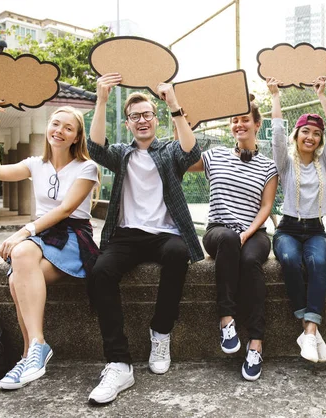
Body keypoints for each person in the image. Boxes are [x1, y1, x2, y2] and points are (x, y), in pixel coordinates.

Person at [87, 74, 204, 404]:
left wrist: (174, 103)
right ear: (127, 123)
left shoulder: (167, 151)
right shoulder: (121, 153)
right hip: (126, 235)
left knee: (178, 254)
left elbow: (190, 149)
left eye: (147, 114)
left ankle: (161, 332)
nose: (141, 120)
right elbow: (95, 147)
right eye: (135, 116)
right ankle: (119, 362)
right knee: (101, 272)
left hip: (164, 234)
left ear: (156, 119)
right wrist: (101, 99)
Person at [0, 97, 100, 390]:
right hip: (42, 237)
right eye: (55, 124)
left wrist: (23, 231)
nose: (60, 131)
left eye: (68, 128)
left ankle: (33, 349)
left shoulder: (87, 167)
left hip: (73, 237)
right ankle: (31, 353)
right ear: (48, 128)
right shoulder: (36, 164)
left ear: (77, 137)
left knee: (19, 265)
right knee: (19, 274)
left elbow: (65, 211)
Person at [188, 94, 278, 381]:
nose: (239, 125)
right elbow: (187, 161)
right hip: (219, 231)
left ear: (256, 124)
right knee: (227, 239)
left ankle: (256, 343)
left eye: (244, 120)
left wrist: (248, 233)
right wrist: (186, 123)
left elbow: (266, 207)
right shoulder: (215, 155)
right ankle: (226, 319)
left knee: (251, 261)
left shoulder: (268, 166)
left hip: (255, 233)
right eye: (234, 120)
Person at [267, 75, 326, 363]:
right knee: (289, 260)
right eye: (305, 132)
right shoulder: (284, 164)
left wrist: (322, 95)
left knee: (318, 262)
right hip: (287, 228)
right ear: (296, 135)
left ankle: (308, 331)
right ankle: (310, 331)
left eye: (315, 133)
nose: (310, 137)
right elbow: (275, 134)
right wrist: (275, 96)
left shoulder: (325, 162)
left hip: (315, 230)